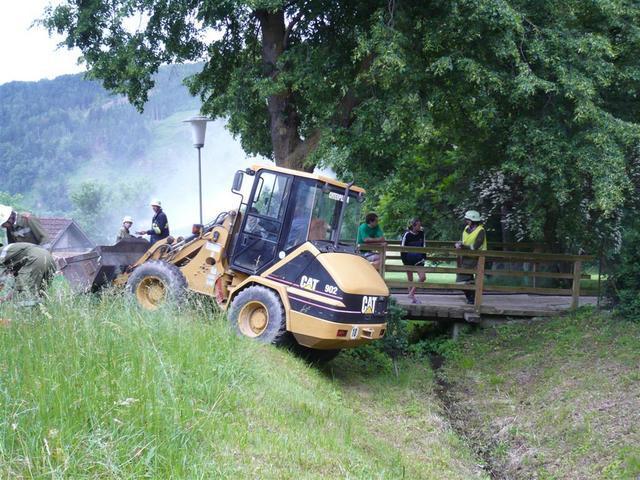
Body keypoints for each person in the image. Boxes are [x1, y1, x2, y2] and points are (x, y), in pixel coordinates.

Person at [455, 210, 487, 304]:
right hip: (466, 258)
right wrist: (458, 244)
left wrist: (462, 246)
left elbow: (475, 247)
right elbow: (463, 241)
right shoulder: (466, 229)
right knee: (464, 280)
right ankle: (472, 298)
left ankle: (472, 299)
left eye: (468, 219)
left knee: (463, 280)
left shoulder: (480, 231)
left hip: (477, 259)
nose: (466, 221)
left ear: (473, 220)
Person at [401, 218, 427, 304]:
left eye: (420, 225)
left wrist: (423, 257)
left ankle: (411, 293)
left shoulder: (421, 234)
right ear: (413, 226)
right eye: (419, 225)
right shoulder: (407, 234)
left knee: (422, 277)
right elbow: (402, 248)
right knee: (410, 279)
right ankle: (413, 299)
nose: (420, 227)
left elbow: (423, 245)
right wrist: (405, 260)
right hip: (408, 258)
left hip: (419, 258)